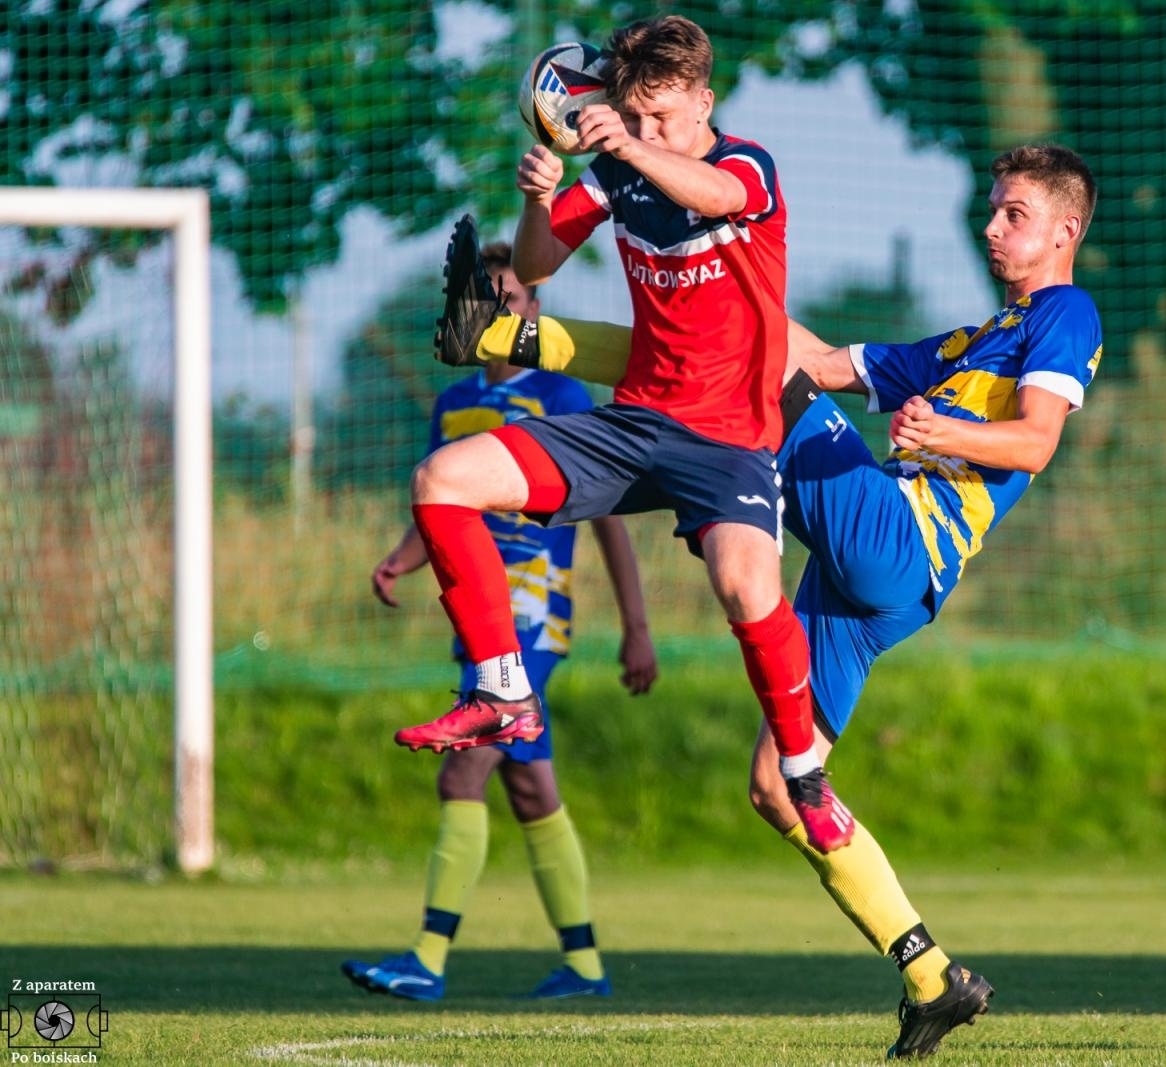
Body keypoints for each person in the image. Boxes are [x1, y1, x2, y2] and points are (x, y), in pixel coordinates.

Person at [444, 144, 1103, 1059]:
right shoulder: (976, 336)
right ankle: (931, 974)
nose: (991, 226)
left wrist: (940, 430)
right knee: (778, 786)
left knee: (730, 366)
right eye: (991, 208)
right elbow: (818, 359)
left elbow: (1034, 443)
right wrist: (731, 286)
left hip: (898, 538)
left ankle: (506, 338)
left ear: (1065, 230)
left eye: (1014, 214)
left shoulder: (1066, 311)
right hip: (876, 582)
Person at [400, 14, 854, 854]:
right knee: (442, 480)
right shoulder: (618, 172)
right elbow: (534, 265)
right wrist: (539, 198)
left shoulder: (745, 167)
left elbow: (712, 195)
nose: (648, 132)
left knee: (746, 586)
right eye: (635, 116)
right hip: (634, 422)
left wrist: (627, 148)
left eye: (665, 117)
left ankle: (804, 772)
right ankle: (504, 691)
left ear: (704, 102)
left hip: (728, 440)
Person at [342, 243, 658, 1003]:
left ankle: (426, 959)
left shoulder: (563, 394)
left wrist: (636, 625)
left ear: (534, 310)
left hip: (533, 613)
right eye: (487, 302)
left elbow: (608, 517)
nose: (500, 312)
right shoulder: (454, 404)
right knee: (529, 789)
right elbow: (439, 501)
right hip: (477, 611)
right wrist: (400, 560)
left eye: (511, 300)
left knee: (463, 768)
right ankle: (585, 965)